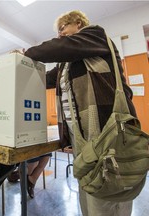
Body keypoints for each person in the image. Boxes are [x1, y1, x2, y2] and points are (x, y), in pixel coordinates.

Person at [21, 10, 137, 216]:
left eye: (62, 28)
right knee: (89, 194)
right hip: (81, 137)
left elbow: (61, 47)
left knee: (107, 197)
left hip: (106, 130)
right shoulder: (68, 64)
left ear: (78, 23)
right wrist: (20, 69)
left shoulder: (95, 35)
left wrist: (26, 54)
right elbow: (45, 78)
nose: (60, 34)